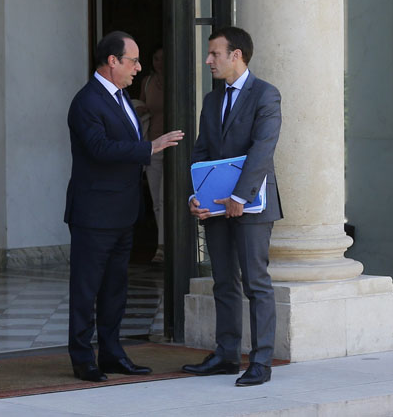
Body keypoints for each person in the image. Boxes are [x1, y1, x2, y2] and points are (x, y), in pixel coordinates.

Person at [64, 31, 184, 382]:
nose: (139, 67)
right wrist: (150, 147)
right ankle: (83, 359)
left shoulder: (122, 99)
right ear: (112, 61)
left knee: (116, 288)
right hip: (93, 214)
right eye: (133, 60)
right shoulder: (86, 101)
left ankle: (112, 353)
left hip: (122, 212)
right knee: (87, 289)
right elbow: (99, 149)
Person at [182, 27, 282, 387]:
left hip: (251, 207)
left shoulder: (266, 95)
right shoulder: (211, 101)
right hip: (216, 209)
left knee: (256, 283)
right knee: (223, 281)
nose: (208, 60)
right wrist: (197, 196)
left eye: (214, 54)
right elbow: (201, 152)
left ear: (236, 55)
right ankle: (226, 355)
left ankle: (261, 361)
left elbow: (262, 150)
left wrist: (240, 198)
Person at [135, 47, 166, 263]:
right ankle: (161, 246)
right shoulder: (147, 82)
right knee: (157, 200)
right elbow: (141, 106)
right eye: (156, 58)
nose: (159, 62)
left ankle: (177, 246)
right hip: (154, 147)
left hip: (177, 148)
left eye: (163, 58)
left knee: (170, 198)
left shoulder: (179, 78)